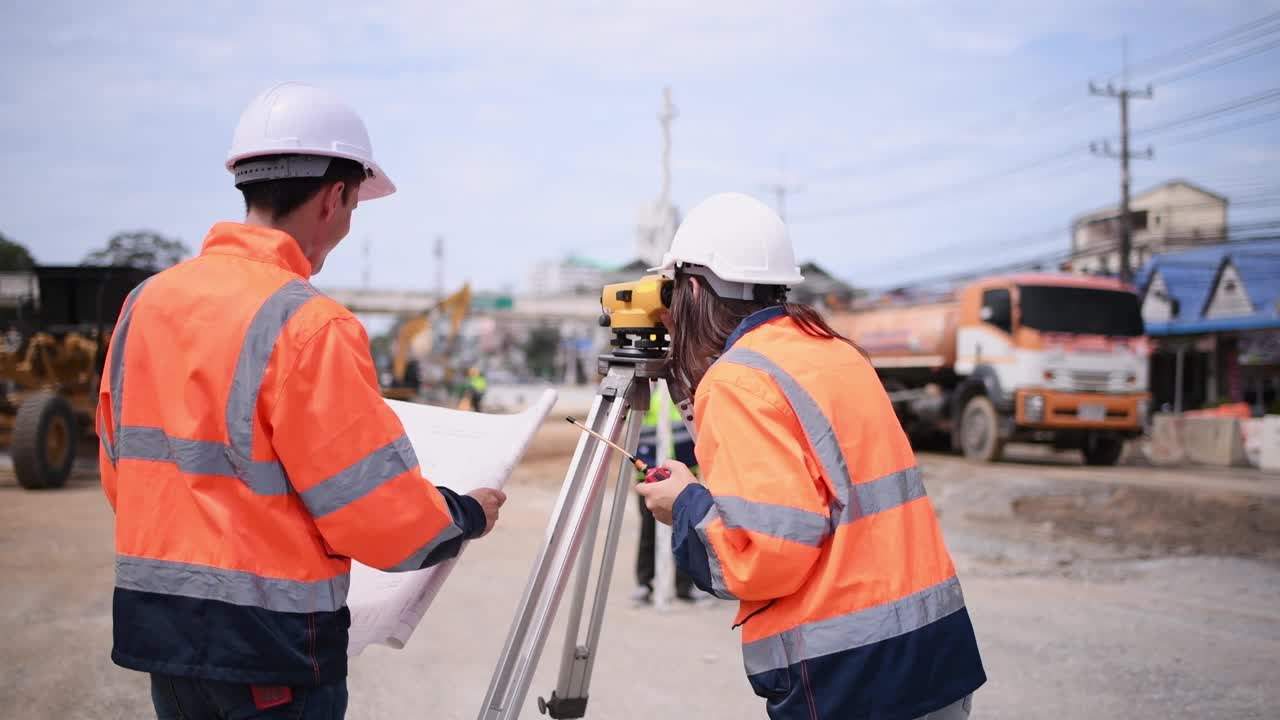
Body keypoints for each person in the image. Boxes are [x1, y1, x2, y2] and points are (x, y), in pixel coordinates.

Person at [95, 82, 507, 720]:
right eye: (353, 206)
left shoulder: (145, 304)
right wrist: (466, 514)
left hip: (164, 640)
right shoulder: (308, 324)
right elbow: (378, 514)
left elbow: (127, 472)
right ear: (335, 196)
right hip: (271, 654)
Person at [636, 192, 985, 719]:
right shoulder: (833, 350)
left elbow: (764, 553)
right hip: (933, 652)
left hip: (850, 675)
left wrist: (683, 503)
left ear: (689, 287)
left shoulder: (739, 380)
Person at [630, 396, 698, 605]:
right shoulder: (648, 390)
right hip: (650, 471)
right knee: (648, 531)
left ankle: (685, 586)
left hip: (684, 471)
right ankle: (644, 583)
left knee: (688, 530)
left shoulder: (682, 388)